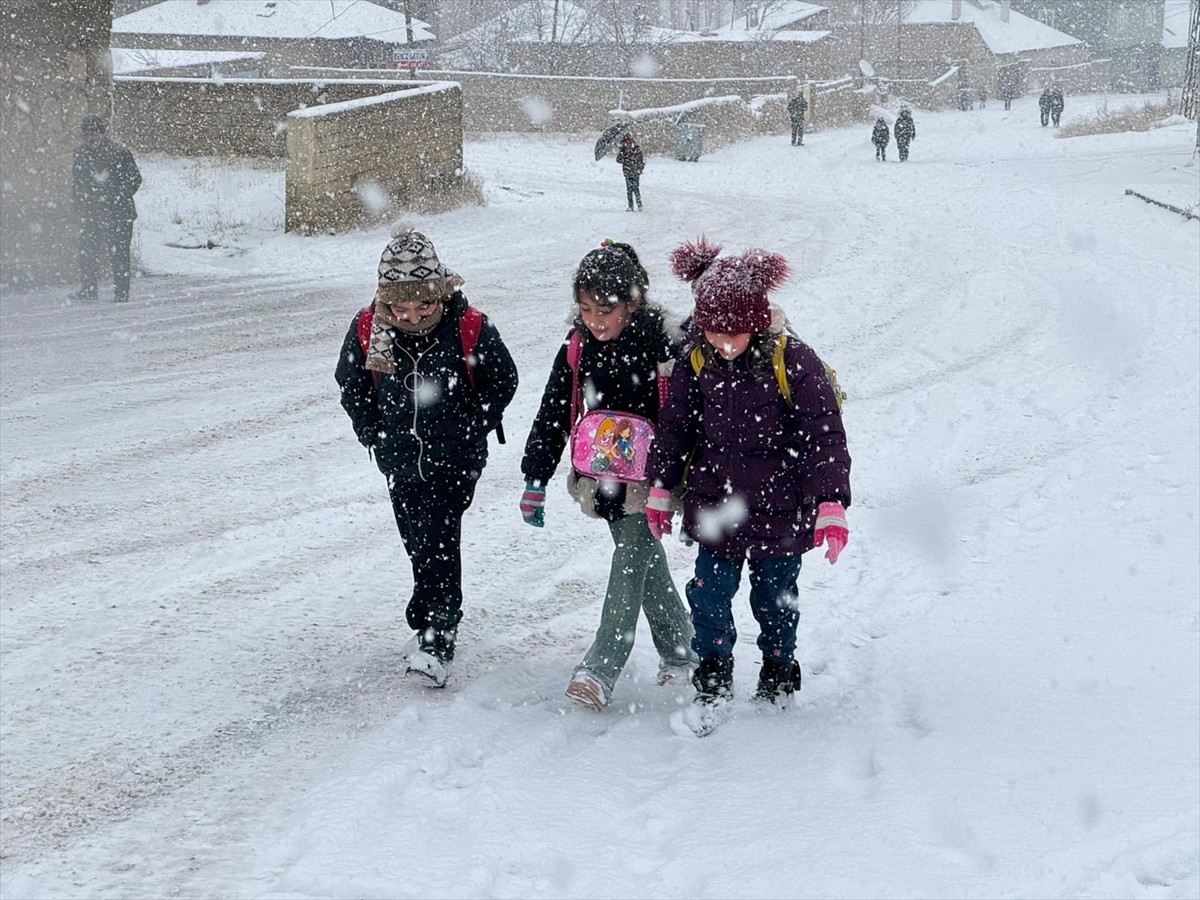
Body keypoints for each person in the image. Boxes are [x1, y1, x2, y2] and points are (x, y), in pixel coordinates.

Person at [644, 237, 852, 728]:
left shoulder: (793, 360)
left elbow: (824, 434)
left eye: (734, 332)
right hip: (715, 505)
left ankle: (779, 670)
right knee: (708, 596)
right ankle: (713, 674)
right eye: (714, 332)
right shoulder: (698, 359)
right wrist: (659, 487)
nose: (724, 343)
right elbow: (675, 427)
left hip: (781, 510)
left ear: (756, 322)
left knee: (774, 600)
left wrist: (831, 503)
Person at [335, 229, 518, 687]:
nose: (412, 317)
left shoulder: (468, 325)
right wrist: (370, 430)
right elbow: (350, 384)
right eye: (400, 309)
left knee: (438, 532)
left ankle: (439, 631)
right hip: (398, 458)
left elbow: (504, 380)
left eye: (423, 307)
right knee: (415, 535)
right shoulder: (369, 329)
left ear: (440, 294)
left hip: (455, 458)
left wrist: (472, 425)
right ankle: (426, 606)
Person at [520, 239, 697, 710]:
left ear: (633, 301)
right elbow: (555, 409)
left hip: (653, 475)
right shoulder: (578, 345)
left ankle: (601, 667)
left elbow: (690, 411)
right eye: (585, 309)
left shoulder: (664, 341)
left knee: (631, 555)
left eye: (605, 310)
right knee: (640, 557)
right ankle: (681, 651)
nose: (595, 321)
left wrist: (690, 477)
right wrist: (535, 477)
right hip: (602, 475)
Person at [71, 115, 141, 303]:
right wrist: (79, 203)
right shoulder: (80, 154)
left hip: (119, 213)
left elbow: (135, 178)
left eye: (93, 134)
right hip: (93, 211)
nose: (90, 139)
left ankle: (121, 291)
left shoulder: (119, 152)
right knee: (87, 250)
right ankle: (89, 288)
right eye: (86, 135)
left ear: (102, 134)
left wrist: (119, 194)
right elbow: (77, 182)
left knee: (118, 253)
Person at [616, 132, 644, 211]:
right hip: (627, 172)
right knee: (629, 190)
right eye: (626, 142)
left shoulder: (637, 149)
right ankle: (630, 206)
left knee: (635, 188)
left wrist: (639, 168)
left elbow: (640, 160)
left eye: (628, 142)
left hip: (635, 172)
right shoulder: (623, 150)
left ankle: (639, 205)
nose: (627, 144)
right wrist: (622, 154)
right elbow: (618, 160)